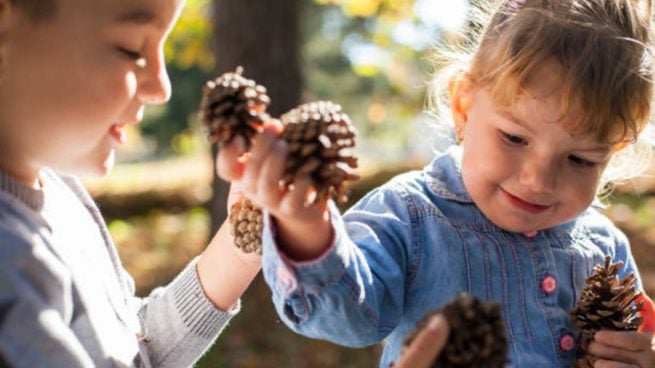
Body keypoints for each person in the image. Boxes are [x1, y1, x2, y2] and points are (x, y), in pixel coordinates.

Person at [217, 0, 655, 366]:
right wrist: (308, 230)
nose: (538, 179)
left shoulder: (605, 250)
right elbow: (349, 317)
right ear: (464, 107)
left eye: (580, 159)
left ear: (611, 154)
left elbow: (634, 337)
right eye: (514, 138)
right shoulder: (410, 216)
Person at [0, 0, 265, 366]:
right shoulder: (9, 267)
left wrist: (241, 242)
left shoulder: (61, 190)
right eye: (131, 49)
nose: (162, 88)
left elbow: (130, 348)